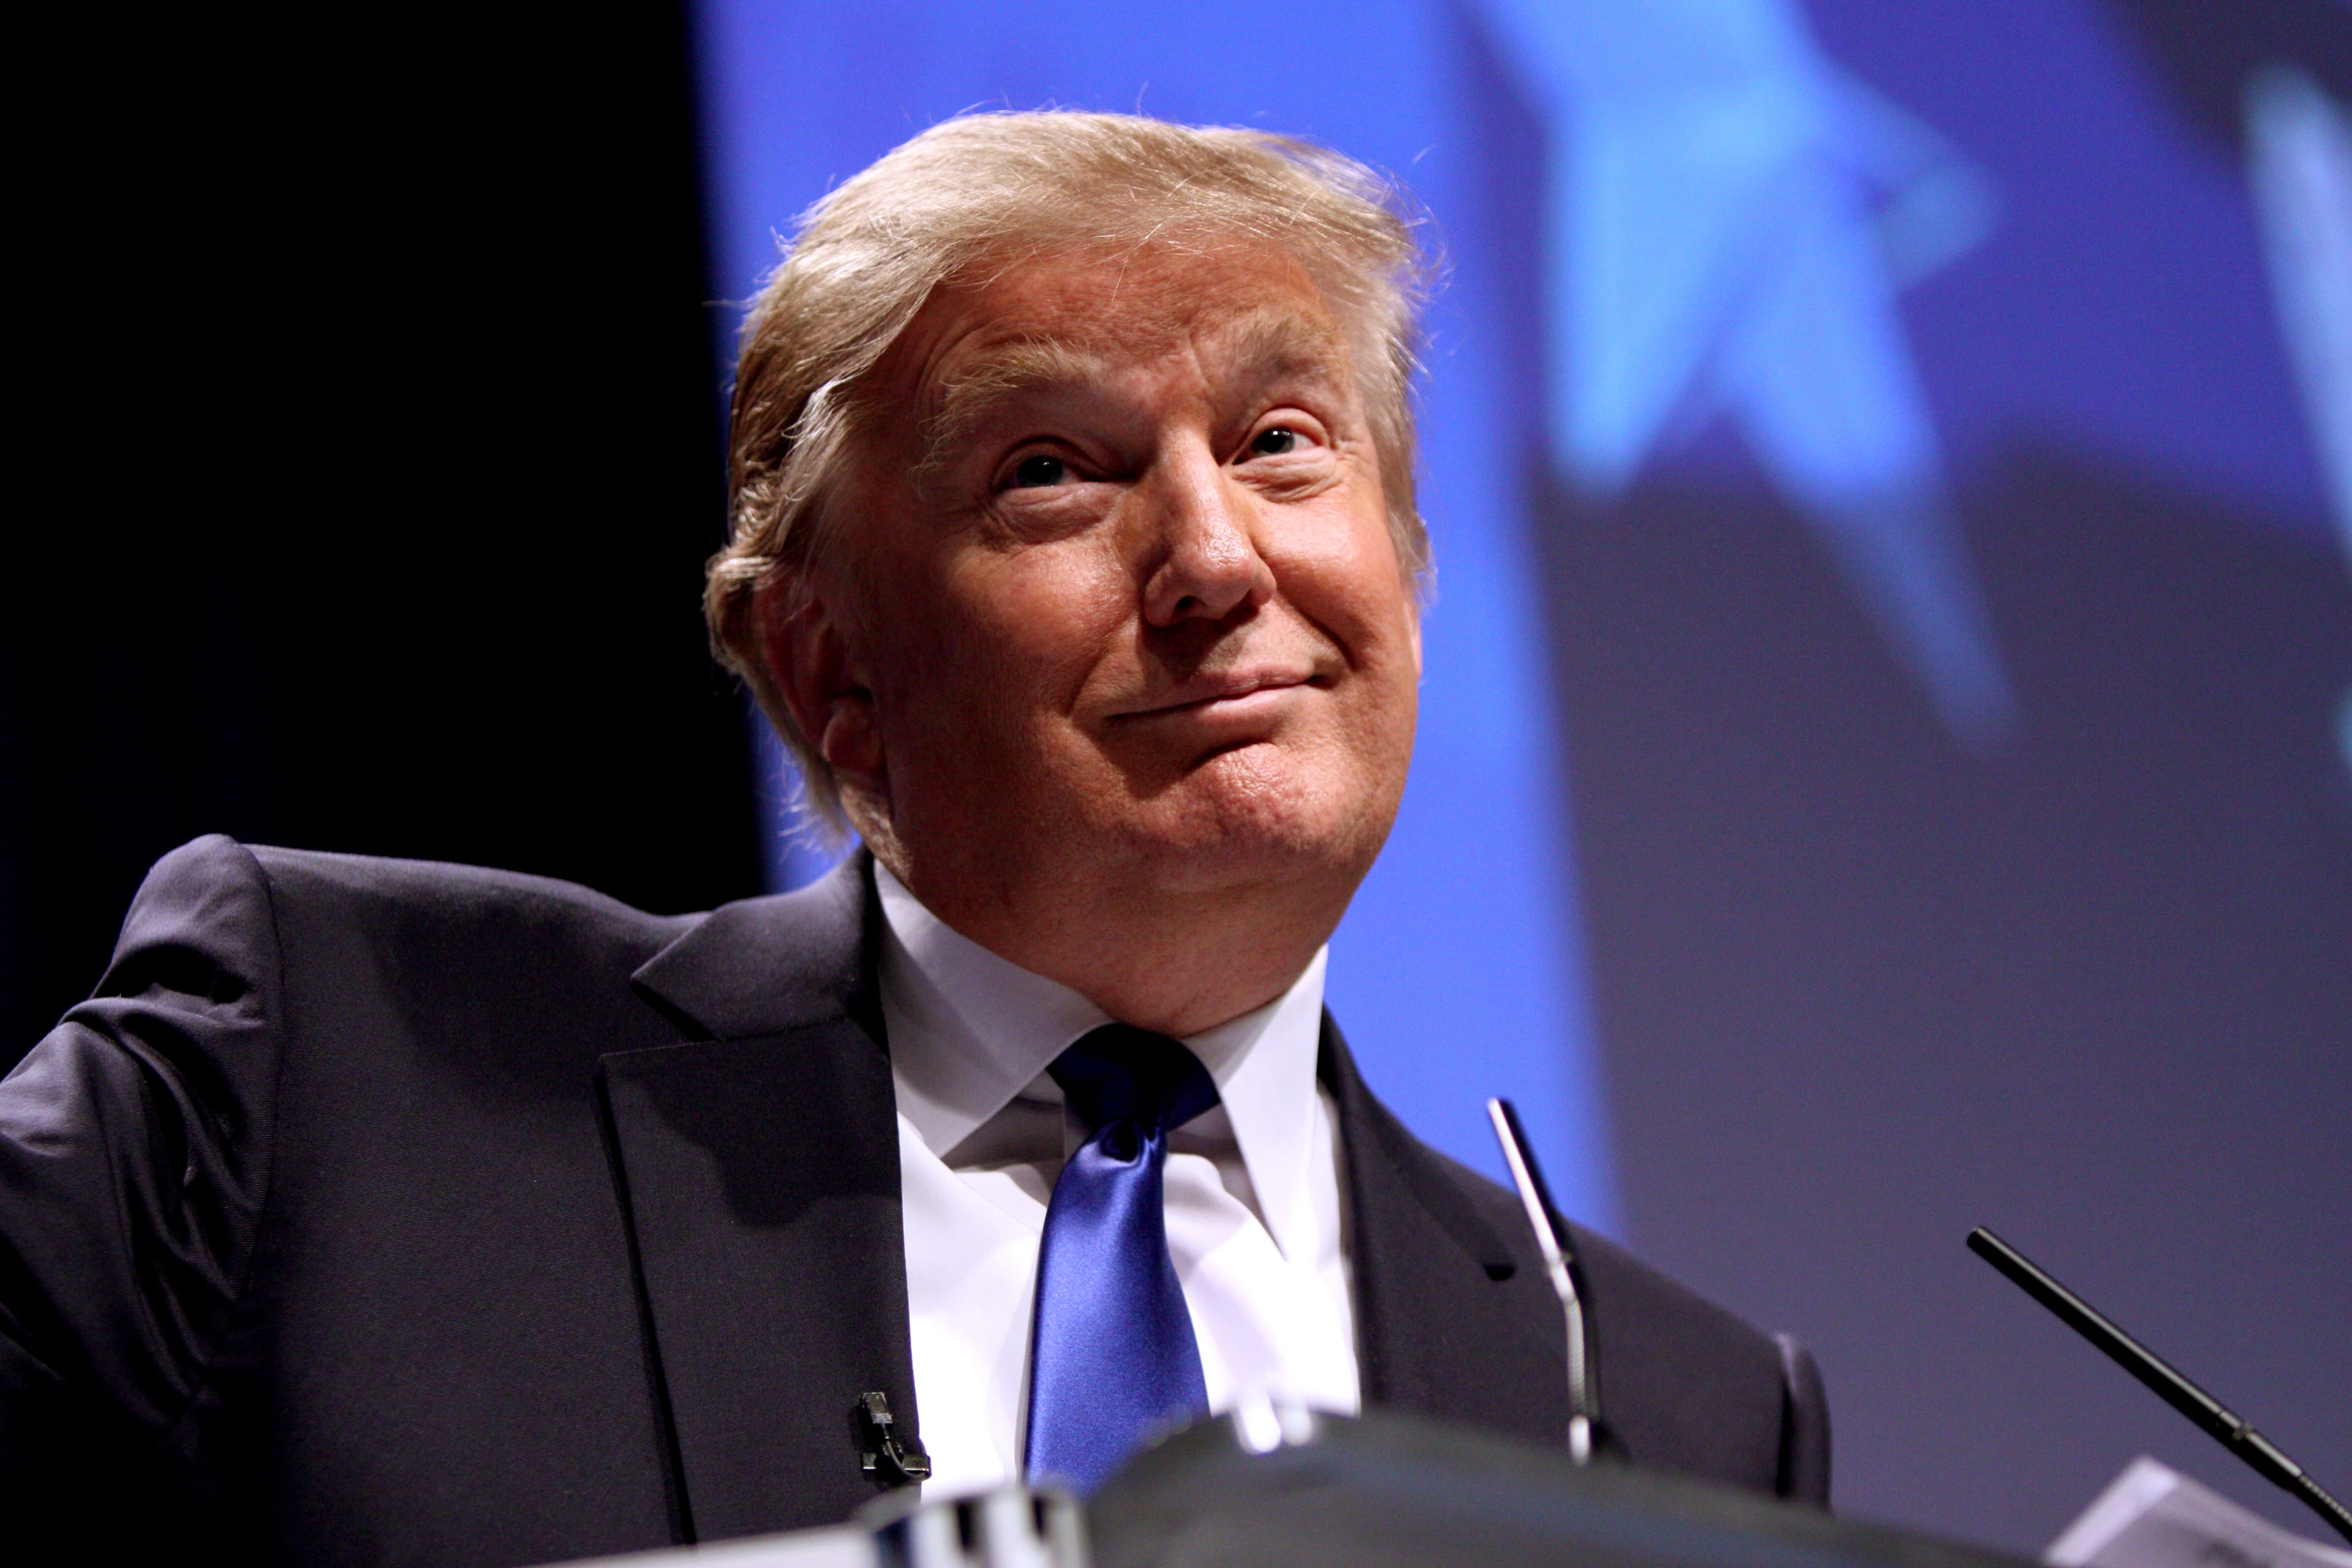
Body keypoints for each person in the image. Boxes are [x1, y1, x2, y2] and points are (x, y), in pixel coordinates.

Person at [0, 111, 1827, 1565]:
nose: (1216, 557)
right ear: (828, 663)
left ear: (1410, 580)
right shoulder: (338, 1077)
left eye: (1283, 441)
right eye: (1053, 469)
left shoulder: (1676, 1413)